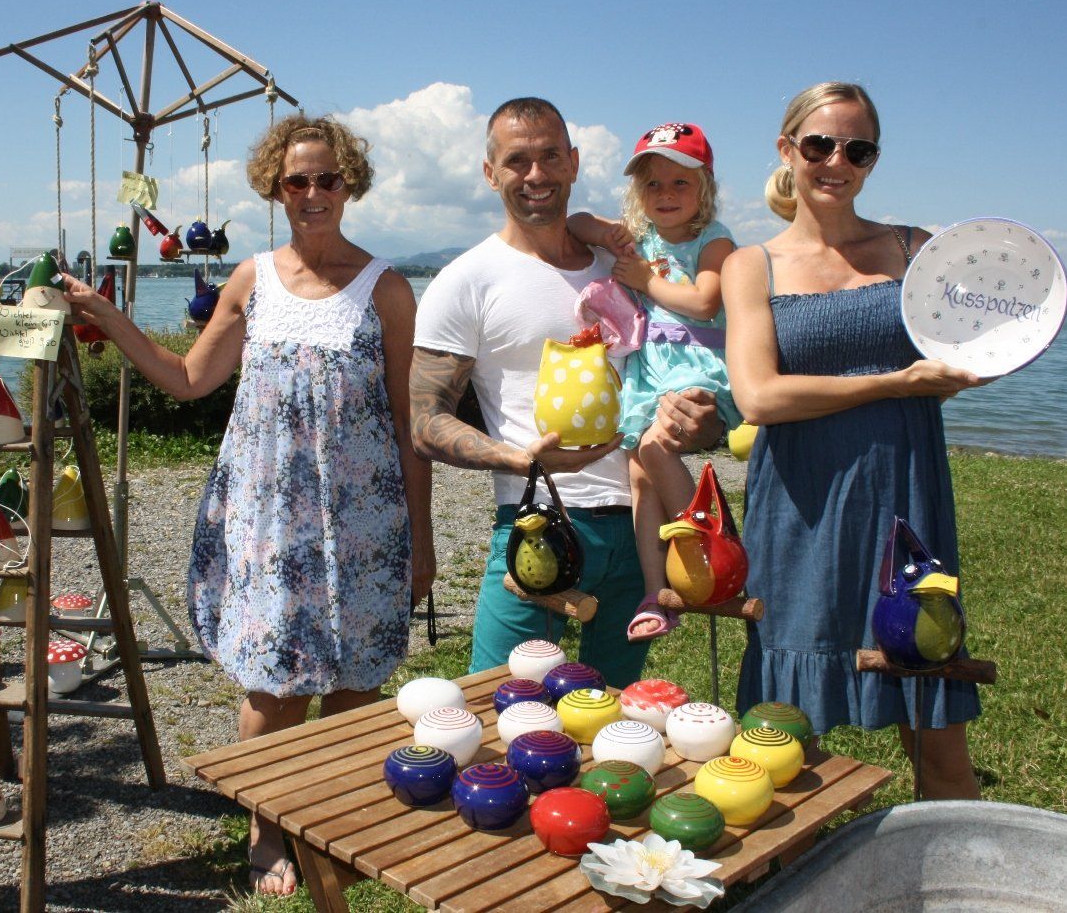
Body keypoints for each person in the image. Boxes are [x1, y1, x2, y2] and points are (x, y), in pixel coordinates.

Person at [64, 115, 435, 893]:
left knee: (354, 680)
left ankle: (330, 824)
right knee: (271, 681)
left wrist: (423, 537)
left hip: (364, 522)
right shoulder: (250, 279)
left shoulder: (387, 289)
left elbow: (408, 424)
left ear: (349, 185)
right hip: (267, 520)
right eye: (295, 181)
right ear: (275, 187)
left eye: (326, 179)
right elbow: (189, 378)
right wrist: (106, 317)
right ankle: (268, 829)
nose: (311, 193)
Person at [722, 81, 982, 799]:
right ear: (787, 150)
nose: (837, 161)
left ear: (872, 160)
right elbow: (759, 396)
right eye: (819, 145)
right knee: (778, 740)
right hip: (800, 508)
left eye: (857, 148)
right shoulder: (752, 266)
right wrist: (892, 383)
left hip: (906, 501)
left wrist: (983, 363)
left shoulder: (913, 249)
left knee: (936, 734)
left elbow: (981, 345)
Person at [411, 97, 721, 691]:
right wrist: (519, 458)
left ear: (574, 162)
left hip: (640, 527)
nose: (536, 175)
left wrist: (700, 419)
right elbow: (424, 420)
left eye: (551, 156)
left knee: (613, 717)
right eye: (516, 161)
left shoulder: (628, 264)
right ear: (489, 172)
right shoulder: (466, 280)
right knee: (501, 707)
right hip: (536, 517)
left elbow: (683, 357)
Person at [567, 122, 739, 642]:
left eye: (680, 183)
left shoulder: (713, 240)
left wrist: (646, 281)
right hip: (650, 376)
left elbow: (707, 301)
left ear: (705, 187)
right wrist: (608, 234)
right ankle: (655, 590)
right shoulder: (638, 238)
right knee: (638, 472)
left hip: (698, 368)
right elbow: (575, 221)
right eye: (653, 184)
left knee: (656, 450)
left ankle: (713, 549)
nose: (665, 194)